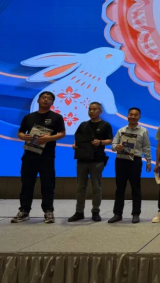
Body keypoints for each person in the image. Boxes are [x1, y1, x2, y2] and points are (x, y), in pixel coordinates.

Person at [12, 91, 66, 224]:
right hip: (29, 155)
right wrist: (23, 136)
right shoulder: (29, 117)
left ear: (52, 102)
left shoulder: (56, 117)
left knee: (48, 185)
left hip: (47, 157)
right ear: (38, 100)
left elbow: (62, 133)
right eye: (43, 97)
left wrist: (49, 138)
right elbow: (20, 132)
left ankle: (48, 211)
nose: (46, 100)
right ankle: (24, 211)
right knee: (27, 184)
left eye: (49, 98)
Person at [69, 102, 113, 222]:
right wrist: (75, 145)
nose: (91, 111)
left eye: (94, 109)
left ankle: (95, 211)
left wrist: (100, 142)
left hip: (97, 160)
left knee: (96, 187)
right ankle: (79, 212)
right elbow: (78, 139)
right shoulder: (83, 125)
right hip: (82, 159)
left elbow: (110, 140)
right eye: (90, 109)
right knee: (80, 187)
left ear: (100, 111)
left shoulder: (105, 125)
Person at [108, 107, 152, 224]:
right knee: (120, 188)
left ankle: (136, 213)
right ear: (127, 116)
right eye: (131, 114)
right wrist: (116, 147)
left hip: (135, 161)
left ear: (139, 117)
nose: (132, 116)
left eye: (135, 115)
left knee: (136, 187)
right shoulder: (121, 130)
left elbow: (146, 147)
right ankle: (117, 214)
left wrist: (148, 161)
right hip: (121, 160)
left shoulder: (143, 131)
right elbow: (113, 145)